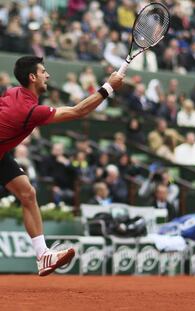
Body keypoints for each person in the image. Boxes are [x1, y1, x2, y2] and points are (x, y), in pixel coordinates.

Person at [0, 55, 123, 276]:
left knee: (27, 193)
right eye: (43, 71)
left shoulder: (13, 92)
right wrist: (108, 88)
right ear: (32, 77)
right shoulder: (29, 111)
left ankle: (43, 255)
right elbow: (78, 111)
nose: (47, 75)